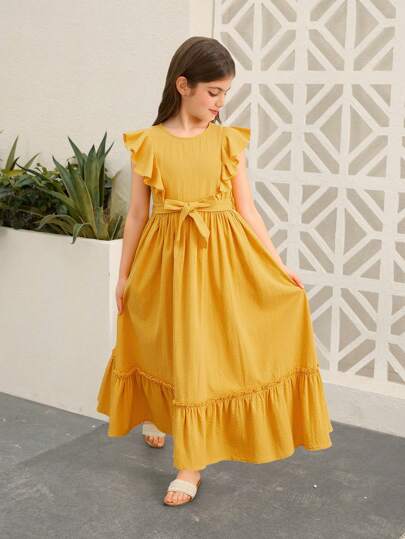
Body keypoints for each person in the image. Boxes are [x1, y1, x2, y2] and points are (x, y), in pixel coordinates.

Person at [97, 36, 333, 507]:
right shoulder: (148, 143)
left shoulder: (228, 142)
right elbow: (138, 216)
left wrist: (278, 264)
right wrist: (123, 276)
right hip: (164, 259)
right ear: (183, 85)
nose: (220, 102)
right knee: (163, 342)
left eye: (225, 93)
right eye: (213, 92)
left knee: (202, 353)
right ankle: (157, 412)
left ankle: (191, 464)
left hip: (221, 258)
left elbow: (248, 209)